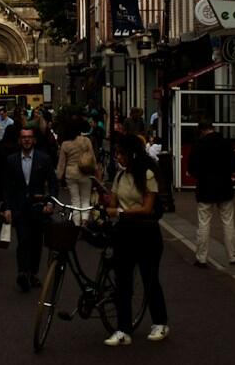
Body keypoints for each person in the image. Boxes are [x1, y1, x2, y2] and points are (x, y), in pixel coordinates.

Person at [104, 135, 169, 345]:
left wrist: (121, 212)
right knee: (123, 282)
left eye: (121, 153)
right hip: (124, 234)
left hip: (146, 234)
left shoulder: (148, 175)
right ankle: (123, 329)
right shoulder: (119, 177)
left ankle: (160, 322)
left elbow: (147, 208)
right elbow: (111, 204)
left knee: (149, 278)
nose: (117, 157)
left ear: (131, 154)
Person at [1, 125, 57, 291]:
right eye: (23, 137)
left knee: (36, 242)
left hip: (38, 208)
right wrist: (8, 207)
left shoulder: (43, 159)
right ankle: (22, 273)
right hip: (19, 208)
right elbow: (7, 186)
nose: (26, 140)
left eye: (29, 137)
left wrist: (50, 203)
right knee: (23, 240)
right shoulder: (11, 160)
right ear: (19, 140)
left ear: (34, 140)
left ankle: (32, 272)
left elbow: (53, 183)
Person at [189, 118, 235, 267]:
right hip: (224, 187)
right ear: (212, 127)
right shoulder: (225, 143)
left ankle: (202, 257)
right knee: (228, 222)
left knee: (204, 223)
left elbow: (192, 168)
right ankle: (233, 256)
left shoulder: (199, 145)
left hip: (205, 188)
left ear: (201, 130)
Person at [55, 113, 99, 217]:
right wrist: (96, 172)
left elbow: (61, 164)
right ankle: (84, 222)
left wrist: (59, 177)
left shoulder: (65, 144)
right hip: (85, 172)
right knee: (85, 200)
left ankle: (76, 225)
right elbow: (93, 158)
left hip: (71, 173)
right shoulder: (86, 141)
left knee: (75, 201)